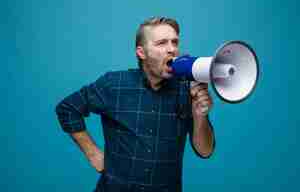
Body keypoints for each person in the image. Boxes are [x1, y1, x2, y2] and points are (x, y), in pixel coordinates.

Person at [55, 16, 215, 192]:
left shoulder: (187, 90)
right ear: (141, 52)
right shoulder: (114, 84)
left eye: (175, 42)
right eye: (162, 43)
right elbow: (68, 108)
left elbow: (205, 150)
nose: (172, 49)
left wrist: (200, 115)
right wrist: (92, 153)